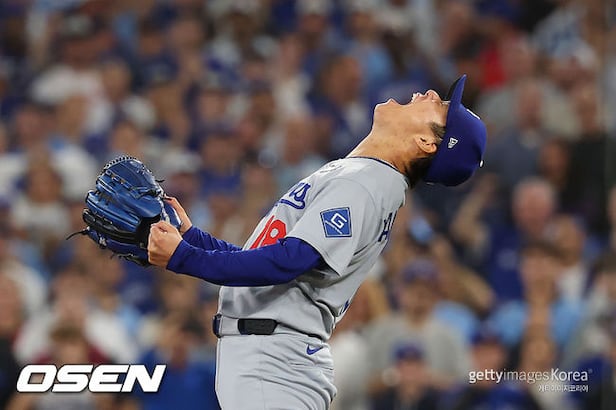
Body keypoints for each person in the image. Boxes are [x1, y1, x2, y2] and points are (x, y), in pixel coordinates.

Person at [146, 75, 487, 409]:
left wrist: (184, 257)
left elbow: (289, 261)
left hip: (275, 363)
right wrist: (195, 240)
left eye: (440, 107)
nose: (430, 94)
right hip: (271, 356)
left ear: (426, 143)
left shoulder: (368, 183)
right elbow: (269, 259)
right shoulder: (365, 175)